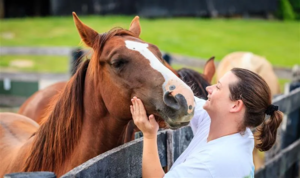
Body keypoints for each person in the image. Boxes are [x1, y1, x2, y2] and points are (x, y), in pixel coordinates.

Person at [130, 68, 283, 178]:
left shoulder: (214, 162)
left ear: (235, 106)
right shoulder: (239, 133)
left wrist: (150, 136)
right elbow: (186, 100)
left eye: (218, 87)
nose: (208, 88)